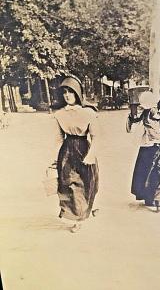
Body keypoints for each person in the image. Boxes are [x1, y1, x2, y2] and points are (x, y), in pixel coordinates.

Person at [52, 77, 99, 233]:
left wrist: (91, 155)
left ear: (77, 93)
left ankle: (90, 205)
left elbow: (96, 136)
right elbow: (59, 139)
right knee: (70, 184)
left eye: (70, 92)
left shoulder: (88, 112)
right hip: (67, 150)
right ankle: (77, 219)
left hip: (84, 148)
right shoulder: (59, 114)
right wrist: (55, 158)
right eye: (64, 92)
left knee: (88, 182)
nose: (67, 95)